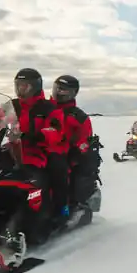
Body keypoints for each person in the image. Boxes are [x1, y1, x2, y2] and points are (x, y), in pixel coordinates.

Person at [11, 68, 68, 220]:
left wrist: (37, 135)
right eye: (18, 85)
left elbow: (56, 130)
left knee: (57, 170)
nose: (20, 89)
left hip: (39, 152)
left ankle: (62, 208)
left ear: (35, 87)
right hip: (14, 151)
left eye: (25, 86)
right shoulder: (12, 106)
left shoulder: (49, 108)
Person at [51, 74, 102, 210]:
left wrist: (76, 147)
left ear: (73, 93)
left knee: (59, 174)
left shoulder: (79, 117)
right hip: (41, 150)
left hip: (65, 154)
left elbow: (84, 140)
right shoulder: (45, 109)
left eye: (63, 90)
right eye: (57, 88)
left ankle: (63, 210)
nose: (58, 92)